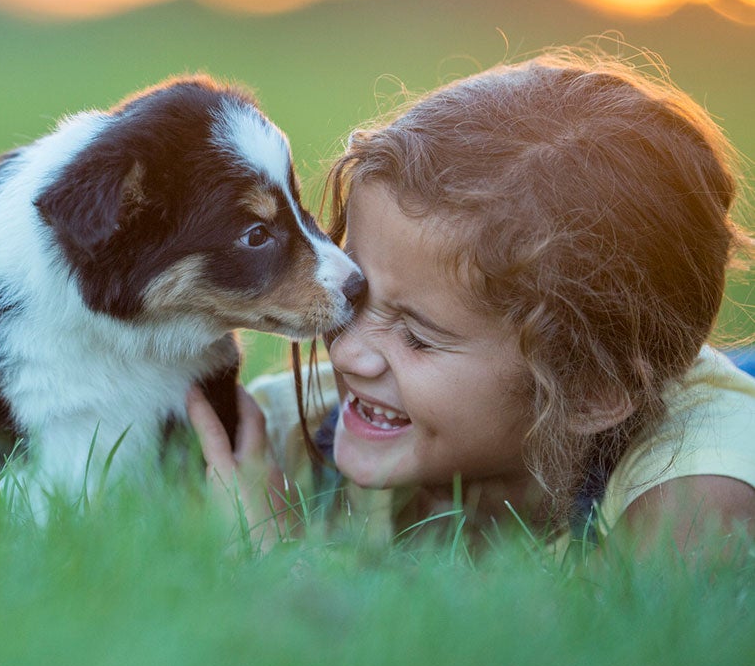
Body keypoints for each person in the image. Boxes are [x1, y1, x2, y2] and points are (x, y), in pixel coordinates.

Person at [190, 46, 755, 558]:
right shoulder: (287, 435)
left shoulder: (700, 483)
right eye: (357, 292)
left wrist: (265, 557)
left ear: (590, 389)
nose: (346, 356)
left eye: (416, 336)